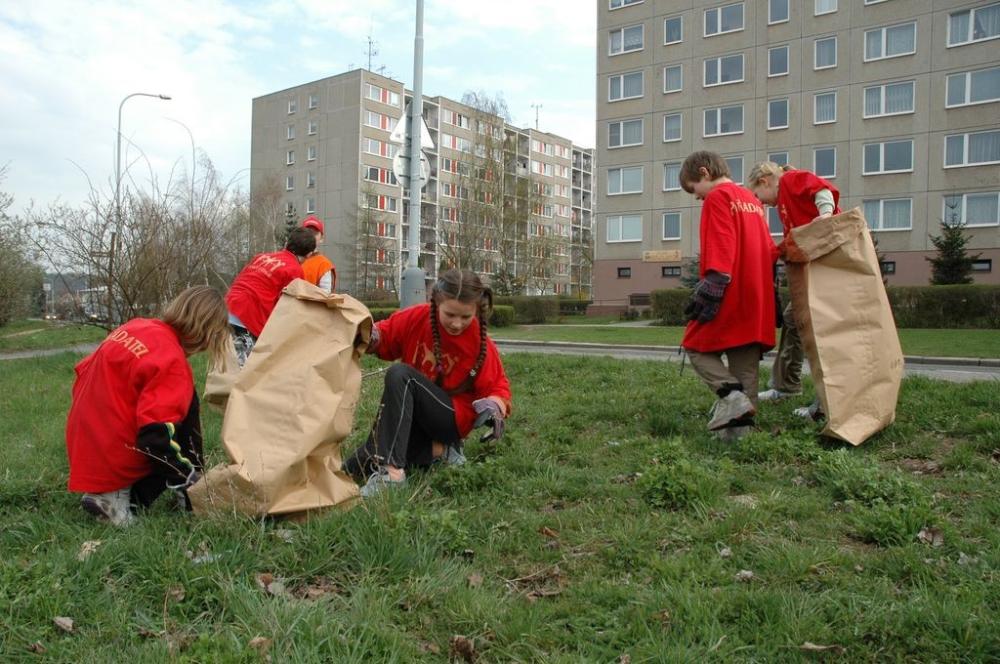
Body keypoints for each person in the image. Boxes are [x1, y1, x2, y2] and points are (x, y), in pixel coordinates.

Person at [65, 286, 231, 526]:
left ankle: (107, 490)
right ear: (207, 335)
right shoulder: (172, 361)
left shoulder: (136, 327)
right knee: (167, 446)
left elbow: (83, 371)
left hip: (83, 440)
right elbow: (155, 440)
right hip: (112, 453)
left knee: (184, 402)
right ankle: (118, 497)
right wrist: (187, 479)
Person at [344, 269, 512, 497]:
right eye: (450, 314)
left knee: (401, 374)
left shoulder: (480, 341)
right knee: (359, 463)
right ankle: (439, 452)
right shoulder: (416, 317)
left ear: (476, 311)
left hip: (451, 418)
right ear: (436, 304)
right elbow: (385, 336)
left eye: (465, 317)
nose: (456, 323)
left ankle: (392, 475)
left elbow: (498, 387)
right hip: (413, 416)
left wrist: (494, 408)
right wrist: (365, 336)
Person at [679, 151, 777, 441]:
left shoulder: (718, 197)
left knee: (695, 345)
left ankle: (731, 397)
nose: (696, 197)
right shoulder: (752, 201)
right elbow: (769, 250)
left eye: (693, 189)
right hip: (757, 295)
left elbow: (721, 240)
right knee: (745, 364)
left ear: (704, 173)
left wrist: (714, 283)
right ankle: (739, 437)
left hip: (730, 291)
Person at [746, 161, 840, 419]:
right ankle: (786, 385)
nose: (761, 203)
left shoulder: (789, 180)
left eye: (757, 195)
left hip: (824, 264)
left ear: (765, 180)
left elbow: (821, 190)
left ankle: (825, 403)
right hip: (814, 264)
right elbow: (792, 240)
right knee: (791, 318)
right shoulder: (785, 204)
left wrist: (825, 215)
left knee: (818, 327)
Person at [226, 227, 315, 366]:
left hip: (227, 308)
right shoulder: (294, 270)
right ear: (309, 254)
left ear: (287, 243)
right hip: (248, 317)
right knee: (244, 371)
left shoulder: (261, 257)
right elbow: (290, 308)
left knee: (225, 363)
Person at [300, 215, 337, 292]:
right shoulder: (292, 258)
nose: (310, 236)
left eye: (315, 233)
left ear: (321, 238)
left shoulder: (324, 264)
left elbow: (325, 297)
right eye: (307, 232)